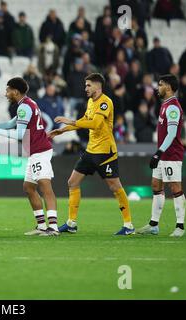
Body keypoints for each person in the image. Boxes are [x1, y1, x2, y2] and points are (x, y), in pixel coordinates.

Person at [49, 73, 134, 235]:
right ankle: (71, 223)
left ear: (97, 86)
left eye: (88, 85)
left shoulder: (105, 102)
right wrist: (62, 130)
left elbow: (95, 124)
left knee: (115, 187)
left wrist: (70, 121)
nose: (85, 88)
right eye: (85, 85)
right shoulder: (90, 102)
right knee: (72, 182)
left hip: (105, 152)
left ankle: (128, 225)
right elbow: (85, 120)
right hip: (91, 150)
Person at [0, 77, 59, 236]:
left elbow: (19, 134)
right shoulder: (27, 103)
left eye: (8, 90)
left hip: (40, 150)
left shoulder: (23, 107)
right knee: (28, 187)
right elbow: (11, 124)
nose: (6, 94)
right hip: (35, 151)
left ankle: (53, 227)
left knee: (45, 187)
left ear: (15, 91)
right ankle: (41, 225)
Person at [137, 74, 186, 237]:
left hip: (171, 154)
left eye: (161, 84)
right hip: (163, 154)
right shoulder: (164, 105)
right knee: (156, 186)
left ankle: (180, 226)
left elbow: (171, 134)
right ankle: (153, 225)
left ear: (169, 87)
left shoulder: (172, 107)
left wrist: (158, 153)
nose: (157, 87)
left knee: (175, 188)